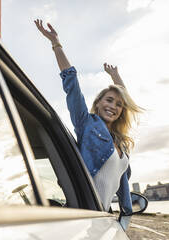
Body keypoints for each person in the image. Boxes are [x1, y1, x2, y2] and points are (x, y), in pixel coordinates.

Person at [34, 19, 143, 229]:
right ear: (98, 103)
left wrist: (116, 76)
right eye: (108, 100)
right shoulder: (87, 124)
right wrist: (56, 43)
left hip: (105, 217)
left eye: (118, 104)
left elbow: (125, 103)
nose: (113, 106)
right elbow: (71, 85)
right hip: (82, 217)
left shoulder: (121, 142)